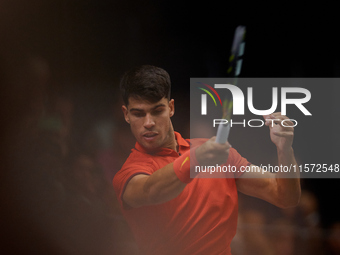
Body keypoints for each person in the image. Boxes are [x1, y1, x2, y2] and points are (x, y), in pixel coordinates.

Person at [112, 65, 301, 255]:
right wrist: (195, 159)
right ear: (126, 114)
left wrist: (285, 149)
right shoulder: (129, 174)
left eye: (157, 111)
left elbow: (284, 195)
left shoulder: (216, 153)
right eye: (138, 114)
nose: (148, 123)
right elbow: (151, 190)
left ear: (170, 108)